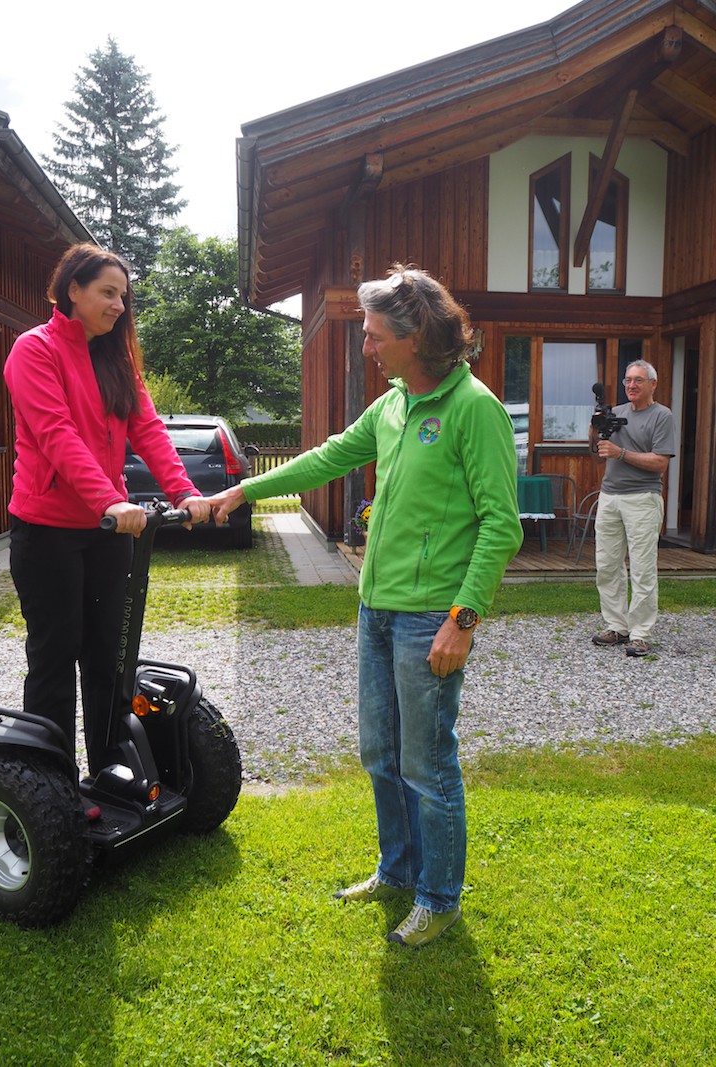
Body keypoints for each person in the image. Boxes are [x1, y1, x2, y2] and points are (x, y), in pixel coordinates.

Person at [209, 264, 523, 947]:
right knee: (380, 752)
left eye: (375, 334)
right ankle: (397, 868)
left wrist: (462, 621)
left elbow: (503, 524)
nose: (366, 346)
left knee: (428, 762)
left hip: (429, 618)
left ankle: (439, 898)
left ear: (415, 337)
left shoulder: (474, 409)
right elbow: (326, 457)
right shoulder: (393, 404)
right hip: (375, 609)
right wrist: (243, 493)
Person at [4, 243, 211, 784]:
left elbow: (148, 431)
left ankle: (110, 770)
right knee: (54, 657)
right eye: (107, 292)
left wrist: (184, 492)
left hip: (108, 533)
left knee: (109, 659)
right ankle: (51, 785)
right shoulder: (34, 350)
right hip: (48, 530)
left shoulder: (116, 360)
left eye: (123, 295)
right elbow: (57, 435)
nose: (119, 304)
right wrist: (110, 501)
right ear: (73, 290)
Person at [589, 360, 676, 657]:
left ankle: (640, 634)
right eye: (627, 380)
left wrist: (621, 453)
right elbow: (598, 453)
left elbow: (660, 462)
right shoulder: (617, 414)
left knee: (641, 568)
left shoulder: (661, 416)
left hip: (643, 499)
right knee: (607, 565)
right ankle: (616, 626)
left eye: (638, 380)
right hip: (610, 496)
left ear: (653, 383)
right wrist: (596, 427)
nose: (631, 385)